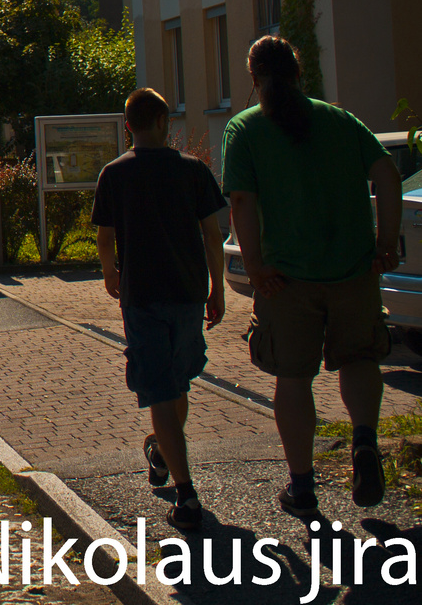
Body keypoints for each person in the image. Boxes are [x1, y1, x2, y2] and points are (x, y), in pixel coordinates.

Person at [223, 35, 401, 517]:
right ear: (300, 74)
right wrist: (387, 243)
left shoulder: (246, 129)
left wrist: (255, 265)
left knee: (294, 377)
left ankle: (302, 486)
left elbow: (240, 200)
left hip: (287, 279)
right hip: (353, 268)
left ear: (254, 78)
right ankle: (364, 439)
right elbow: (386, 172)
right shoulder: (340, 120)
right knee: (360, 358)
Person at [92, 87, 227, 534]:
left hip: (142, 295)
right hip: (188, 291)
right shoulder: (193, 171)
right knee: (173, 383)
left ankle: (160, 448)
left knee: (167, 385)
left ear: (127, 125)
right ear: (165, 123)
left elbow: (106, 236)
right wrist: (218, 289)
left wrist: (111, 274)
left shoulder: (114, 173)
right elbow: (212, 234)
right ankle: (186, 492)